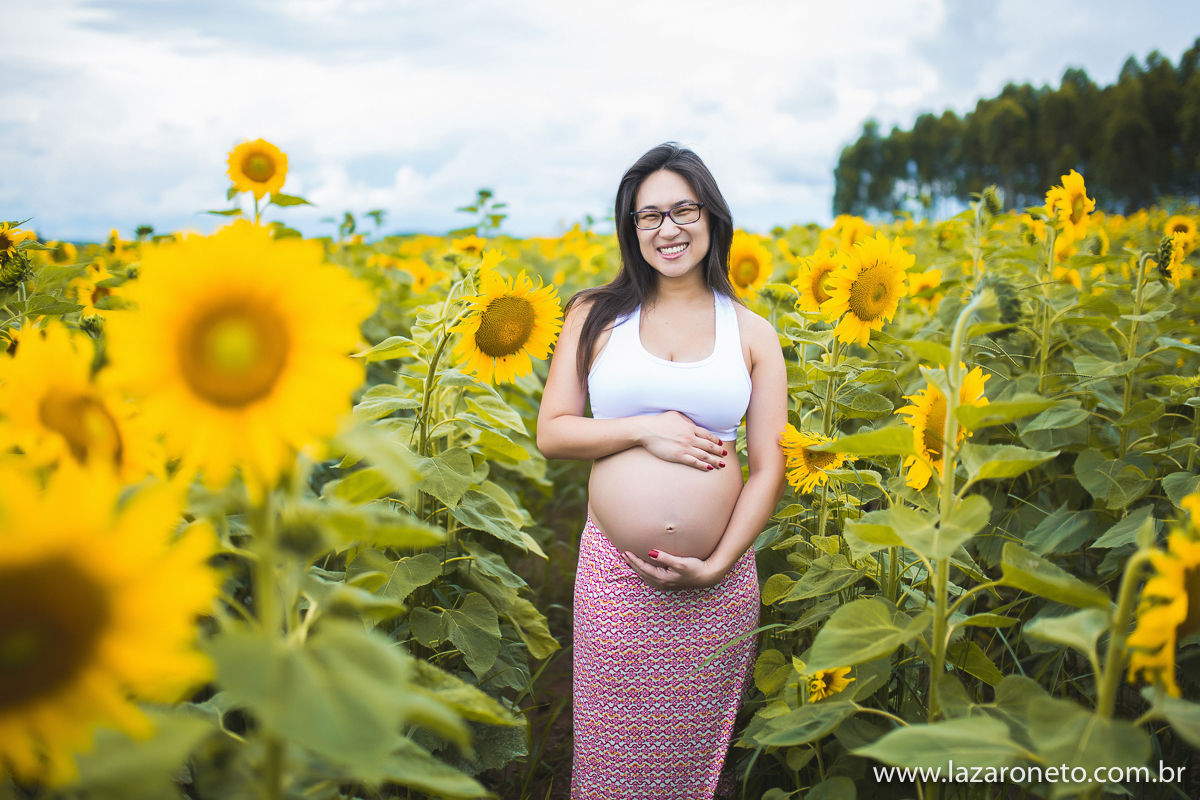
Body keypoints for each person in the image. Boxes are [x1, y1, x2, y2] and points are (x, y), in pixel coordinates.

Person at [536, 142, 787, 799]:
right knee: (611, 755)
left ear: (711, 216)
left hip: (717, 585)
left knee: (693, 765)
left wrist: (719, 564)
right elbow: (553, 432)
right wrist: (646, 429)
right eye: (649, 216)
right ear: (631, 227)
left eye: (683, 210)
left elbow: (769, 468)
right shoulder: (595, 315)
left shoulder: (752, 333)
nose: (667, 229)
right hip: (616, 576)